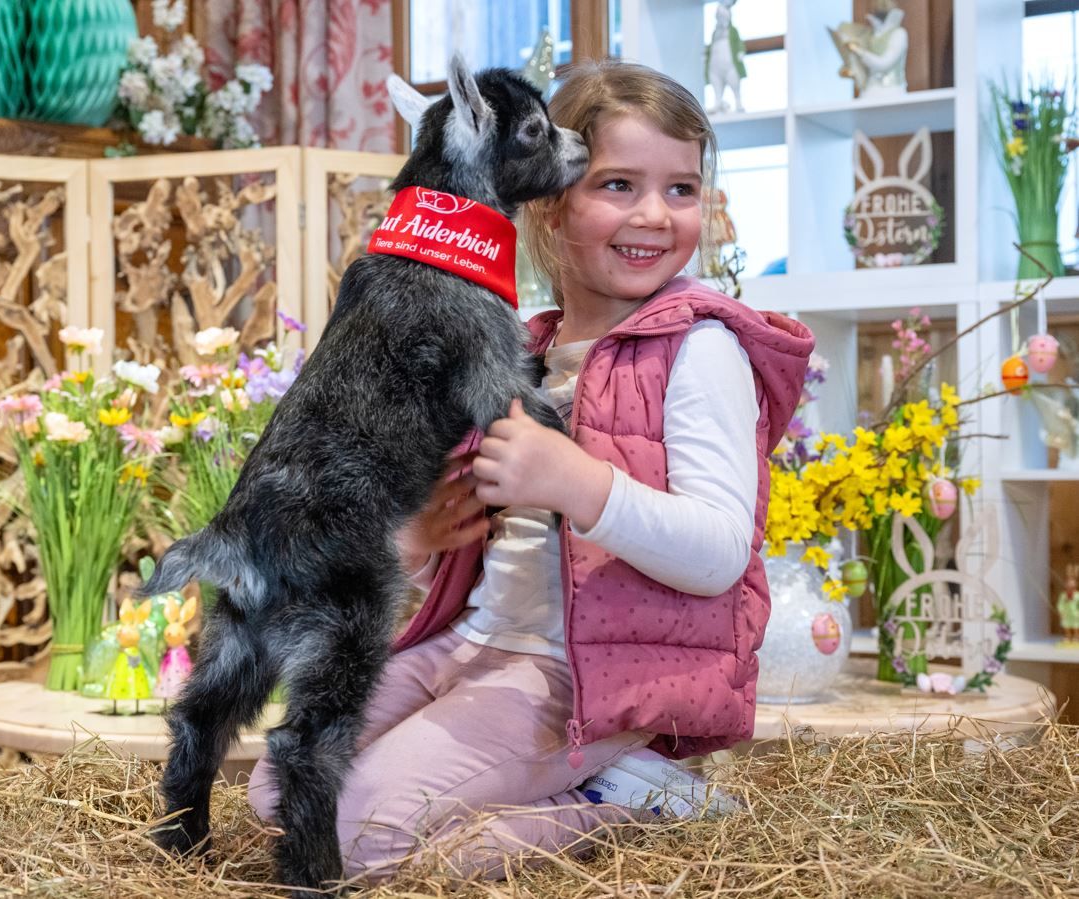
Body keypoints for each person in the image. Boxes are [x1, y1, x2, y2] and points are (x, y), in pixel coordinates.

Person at [247, 59, 813, 881]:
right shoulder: (520, 349)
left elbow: (722, 550)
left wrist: (574, 482)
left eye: (681, 189)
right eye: (617, 184)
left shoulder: (701, 350)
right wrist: (416, 534)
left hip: (583, 677)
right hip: (473, 644)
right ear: (547, 201)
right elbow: (450, 538)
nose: (654, 214)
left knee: (358, 840)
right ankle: (550, 785)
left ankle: (620, 799)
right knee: (279, 795)